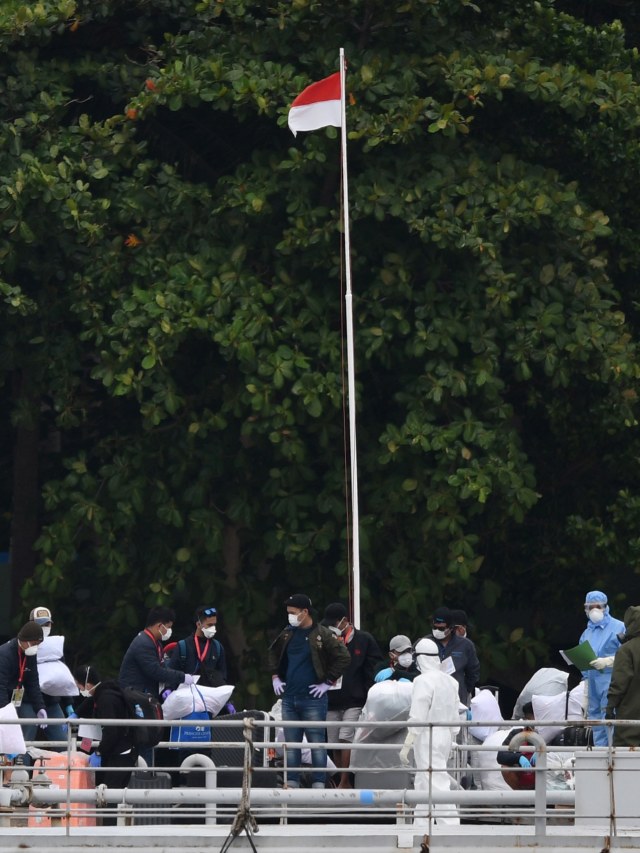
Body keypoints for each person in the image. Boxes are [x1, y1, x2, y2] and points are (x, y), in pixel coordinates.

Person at [269, 593, 350, 789]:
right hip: (289, 697)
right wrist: (275, 676)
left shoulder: (322, 634)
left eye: (293, 613)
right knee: (292, 743)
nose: (290, 616)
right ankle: (292, 782)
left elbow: (343, 657)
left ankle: (319, 783)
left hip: (314, 698)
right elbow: (272, 652)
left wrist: (328, 682)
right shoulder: (287, 633)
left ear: (305, 612)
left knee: (316, 743)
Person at [399, 637, 461, 826]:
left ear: (420, 659)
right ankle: (420, 827)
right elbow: (455, 713)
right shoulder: (451, 681)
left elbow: (417, 716)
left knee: (436, 783)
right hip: (445, 736)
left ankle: (449, 829)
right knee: (423, 782)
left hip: (427, 737)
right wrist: (452, 738)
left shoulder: (422, 681)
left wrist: (407, 744)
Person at [322, 602, 383, 788]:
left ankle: (345, 780)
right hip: (331, 700)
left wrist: (367, 696)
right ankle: (341, 780)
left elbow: (373, 668)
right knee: (333, 743)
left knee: (345, 738)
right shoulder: (326, 641)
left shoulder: (364, 639)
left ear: (345, 621)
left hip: (354, 701)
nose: (331, 627)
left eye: (334, 623)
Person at [73, 666, 138, 788]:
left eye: (79, 685)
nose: (79, 689)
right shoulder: (105, 692)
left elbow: (111, 731)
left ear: (87, 685)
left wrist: (98, 752)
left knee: (109, 795)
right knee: (110, 793)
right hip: (120, 749)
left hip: (121, 752)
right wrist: (76, 713)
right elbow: (91, 701)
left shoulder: (106, 699)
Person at [119, 606, 196, 697]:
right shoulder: (144, 643)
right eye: (168, 627)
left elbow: (163, 667)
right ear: (159, 626)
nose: (169, 631)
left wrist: (167, 687)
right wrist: (182, 677)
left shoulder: (155, 642)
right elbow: (155, 671)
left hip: (143, 693)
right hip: (134, 695)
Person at [580, 590, 625, 746]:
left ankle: (613, 757)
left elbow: (629, 656)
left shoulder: (619, 627)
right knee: (595, 721)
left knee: (610, 718)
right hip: (592, 684)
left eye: (598, 606)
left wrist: (608, 661)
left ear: (606, 607)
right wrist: (585, 690)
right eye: (590, 607)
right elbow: (583, 663)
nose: (594, 610)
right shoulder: (587, 632)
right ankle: (600, 759)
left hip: (611, 683)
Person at [29, 605, 78, 746]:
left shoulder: (54, 646)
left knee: (62, 741)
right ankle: (22, 768)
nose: (45, 627)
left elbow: (62, 675)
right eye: (41, 624)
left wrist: (68, 703)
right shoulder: (24, 644)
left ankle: (64, 767)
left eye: (47, 624)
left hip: (51, 700)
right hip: (29, 701)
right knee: (25, 742)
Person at [0, 621, 48, 740]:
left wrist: (39, 707)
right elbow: (0, 686)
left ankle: (24, 754)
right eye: (34, 643)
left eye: (38, 644)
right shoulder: (4, 654)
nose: (36, 647)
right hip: (3, 697)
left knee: (29, 720)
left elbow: (33, 681)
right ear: (24, 640)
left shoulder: (30, 652)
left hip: (16, 696)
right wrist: (6, 712)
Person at [168, 605, 230, 691]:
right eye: (210, 625)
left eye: (214, 625)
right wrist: (167, 690)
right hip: (187, 696)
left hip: (210, 697)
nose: (213, 628)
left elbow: (223, 676)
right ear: (198, 624)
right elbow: (171, 674)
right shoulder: (183, 646)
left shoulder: (218, 647)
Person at [429, 607, 480, 706]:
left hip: (457, 701)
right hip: (431, 700)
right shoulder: (425, 643)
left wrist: (463, 690)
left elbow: (473, 673)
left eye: (441, 628)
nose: (437, 631)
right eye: (434, 627)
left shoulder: (466, 645)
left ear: (451, 627)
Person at [606, 605, 640, 746]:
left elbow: (619, 683)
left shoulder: (626, 650)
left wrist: (610, 707)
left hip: (631, 717)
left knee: (626, 761)